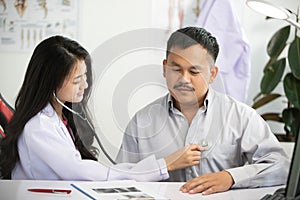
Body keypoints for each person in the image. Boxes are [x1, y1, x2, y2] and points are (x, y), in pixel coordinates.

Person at [0, 35, 202, 181]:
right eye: (77, 80)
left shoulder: (60, 119)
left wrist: (160, 164)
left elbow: (98, 170)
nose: (85, 86)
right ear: (51, 84)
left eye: (85, 77)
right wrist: (165, 165)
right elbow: (82, 172)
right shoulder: (40, 128)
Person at [116, 27, 290, 195]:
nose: (184, 79)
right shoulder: (142, 121)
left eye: (194, 71)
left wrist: (230, 177)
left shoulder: (240, 116)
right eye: (176, 69)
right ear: (164, 68)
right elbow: (119, 177)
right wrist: (164, 165)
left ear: (212, 74)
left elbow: (280, 166)